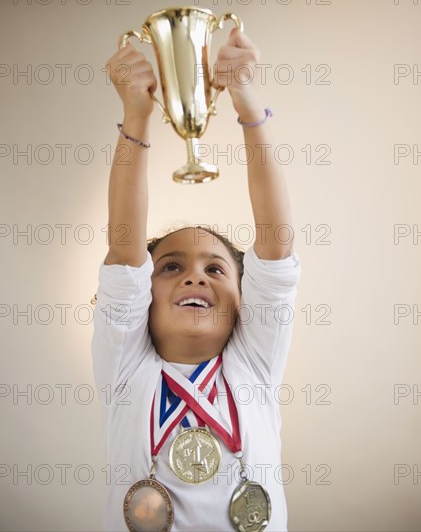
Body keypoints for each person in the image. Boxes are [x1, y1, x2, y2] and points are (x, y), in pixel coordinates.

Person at [91, 27, 302, 532]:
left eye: (215, 268)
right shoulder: (127, 368)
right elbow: (124, 250)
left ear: (243, 299)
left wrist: (249, 105)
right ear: (143, 296)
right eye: (171, 267)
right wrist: (137, 115)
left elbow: (276, 246)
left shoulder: (253, 361)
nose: (195, 278)